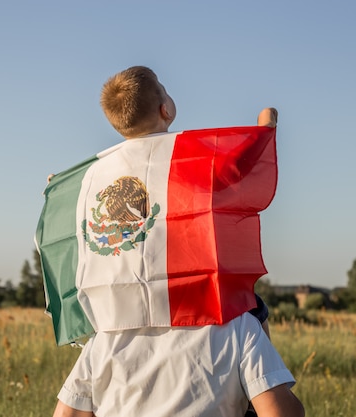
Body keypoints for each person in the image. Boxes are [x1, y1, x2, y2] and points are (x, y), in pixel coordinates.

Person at [51, 66, 304, 417]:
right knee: (253, 306)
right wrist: (265, 127)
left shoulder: (106, 338)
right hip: (209, 310)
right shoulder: (236, 324)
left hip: (122, 307)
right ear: (165, 109)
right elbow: (240, 169)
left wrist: (60, 191)